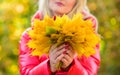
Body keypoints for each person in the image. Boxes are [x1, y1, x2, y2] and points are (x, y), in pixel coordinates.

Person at [19, 0, 100, 75]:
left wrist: (71, 66)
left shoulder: (87, 36)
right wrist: (49, 66)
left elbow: (90, 73)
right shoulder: (29, 36)